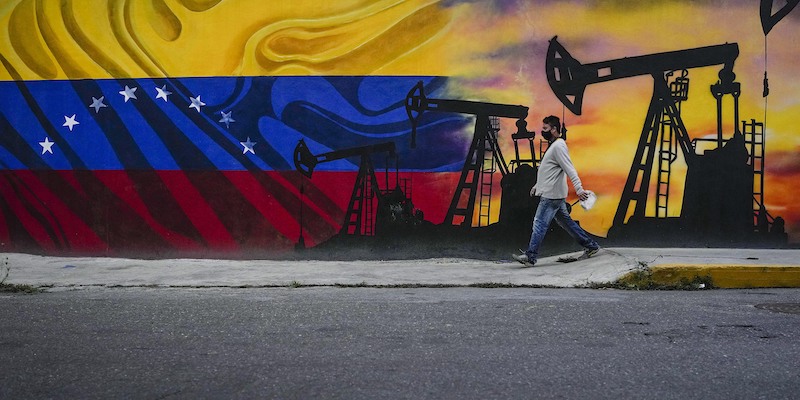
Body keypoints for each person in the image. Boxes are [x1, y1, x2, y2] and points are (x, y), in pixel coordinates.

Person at [512, 115, 600, 267]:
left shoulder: (558, 146)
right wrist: (537, 186)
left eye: (545, 128)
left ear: (554, 129)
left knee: (539, 223)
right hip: (554, 194)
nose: (542, 131)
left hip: (551, 195)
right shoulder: (554, 146)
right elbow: (548, 171)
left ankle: (530, 256)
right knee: (567, 223)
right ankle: (591, 246)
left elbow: (569, 169)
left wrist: (579, 189)